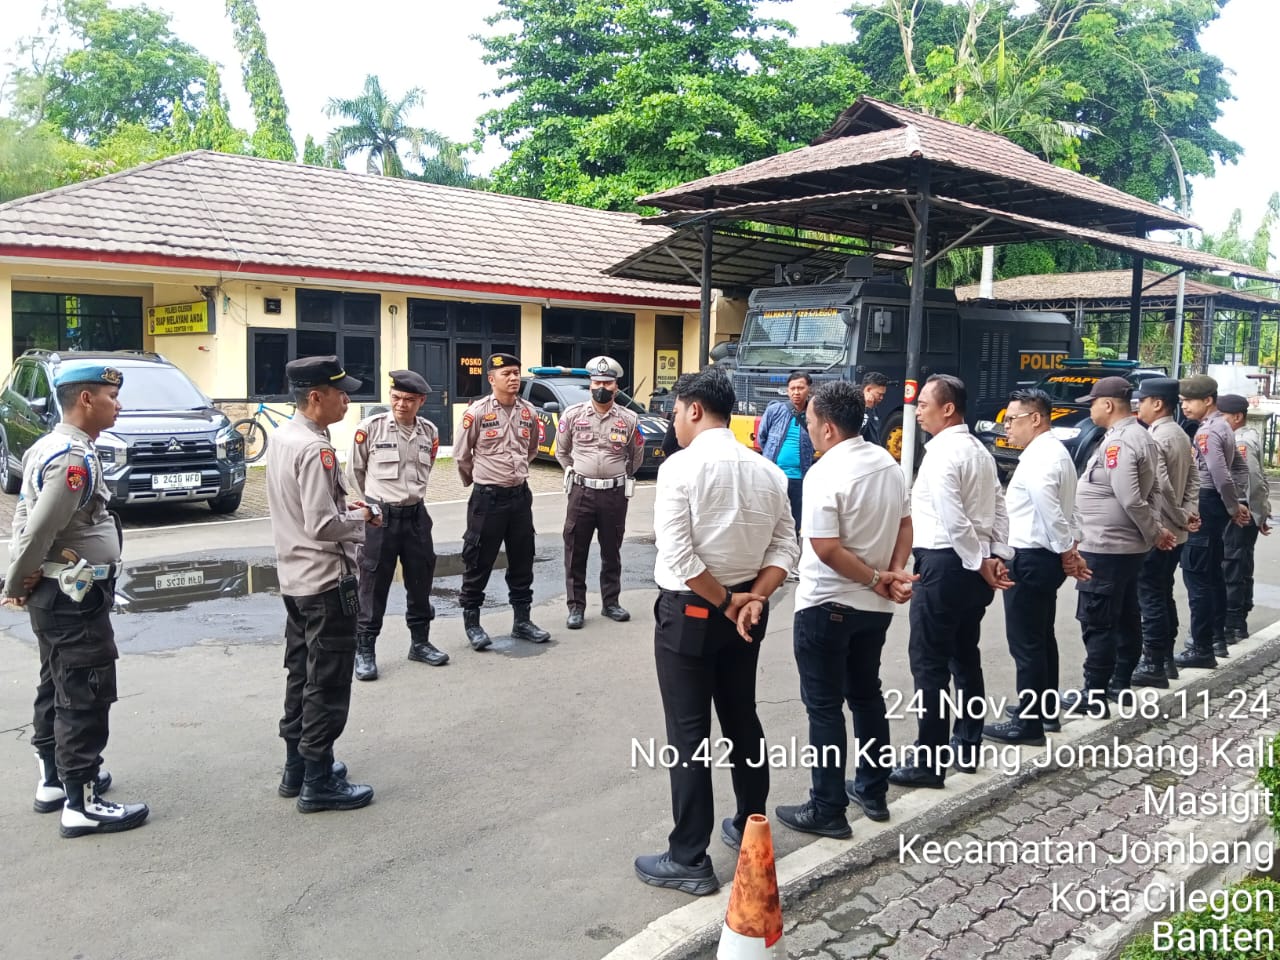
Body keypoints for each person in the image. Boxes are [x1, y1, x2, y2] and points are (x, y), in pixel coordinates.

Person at [634, 368, 799, 896]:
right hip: (747, 612)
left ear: (695, 409)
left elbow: (679, 555)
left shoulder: (681, 467)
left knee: (688, 735)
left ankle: (689, 857)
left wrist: (728, 602)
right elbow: (786, 548)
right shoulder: (767, 471)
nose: (674, 423)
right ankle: (752, 826)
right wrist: (753, 598)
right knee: (742, 718)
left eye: (675, 413)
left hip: (696, 611)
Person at [3, 363, 148, 837]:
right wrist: (15, 582)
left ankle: (54, 781)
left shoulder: (48, 445)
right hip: (73, 596)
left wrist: (24, 574)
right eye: (111, 396)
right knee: (84, 692)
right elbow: (39, 528)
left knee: (57, 683)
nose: (118, 405)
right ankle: (82, 804)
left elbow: (21, 517)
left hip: (55, 592)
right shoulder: (72, 458)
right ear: (86, 399)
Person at [774, 381, 915, 836]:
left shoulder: (826, 471)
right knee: (866, 695)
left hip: (828, 603)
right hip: (873, 608)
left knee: (825, 708)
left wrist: (877, 577)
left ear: (829, 427)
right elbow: (905, 524)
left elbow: (826, 547)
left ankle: (827, 807)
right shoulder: (887, 464)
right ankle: (872, 790)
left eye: (811, 422)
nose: (808, 429)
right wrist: (893, 572)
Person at [267, 355, 376, 813]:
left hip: (296, 579)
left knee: (301, 673)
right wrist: (364, 519)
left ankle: (297, 767)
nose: (347, 400)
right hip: (326, 581)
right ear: (316, 397)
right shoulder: (315, 449)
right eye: (340, 392)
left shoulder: (283, 436)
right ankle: (318, 780)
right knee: (326, 681)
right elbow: (322, 523)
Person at [892, 374, 1011, 789]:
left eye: (924, 404)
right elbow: (999, 506)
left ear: (948, 409)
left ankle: (929, 760)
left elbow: (953, 518)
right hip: (971, 564)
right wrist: (996, 555)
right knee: (964, 657)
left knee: (930, 665)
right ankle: (967, 744)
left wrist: (982, 561)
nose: (917, 411)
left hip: (947, 563)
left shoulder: (944, 454)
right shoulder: (978, 450)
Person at [983, 388, 1087, 745]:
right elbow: (1070, 509)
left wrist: (1067, 550)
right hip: (1043, 555)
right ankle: (1044, 709)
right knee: (1041, 637)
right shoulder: (1054, 452)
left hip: (1031, 556)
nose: (1007, 427)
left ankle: (1028, 724)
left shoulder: (1042, 457)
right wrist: (1071, 545)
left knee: (1026, 642)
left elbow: (1050, 509)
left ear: (1036, 419)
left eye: (1013, 419)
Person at [1067, 376, 1174, 717]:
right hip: (1123, 546)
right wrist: (1153, 530)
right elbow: (1154, 492)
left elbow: (1131, 497)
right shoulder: (1137, 435)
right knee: (1126, 614)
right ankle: (1118, 685)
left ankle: (1095, 693)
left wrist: (1154, 532)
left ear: (1108, 404)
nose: (1091, 409)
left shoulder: (1121, 442)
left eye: (1093, 403)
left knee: (1098, 620)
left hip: (1108, 547)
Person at [347, 369, 445, 680]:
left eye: (408, 400)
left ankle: (420, 643)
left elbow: (427, 470)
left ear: (421, 401)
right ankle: (365, 650)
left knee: (420, 580)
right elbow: (355, 472)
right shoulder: (370, 429)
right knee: (372, 584)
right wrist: (373, 504)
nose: (401, 404)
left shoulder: (429, 431)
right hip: (381, 518)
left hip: (416, 517)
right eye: (396, 398)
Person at [455, 353, 549, 649]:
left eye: (516, 373)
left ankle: (522, 621)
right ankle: (473, 624)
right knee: (478, 560)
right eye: (506, 373)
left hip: (519, 497)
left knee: (523, 559)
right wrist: (482, 480)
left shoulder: (529, 412)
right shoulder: (477, 413)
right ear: (491, 378)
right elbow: (462, 455)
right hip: (488, 499)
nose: (513, 378)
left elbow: (531, 449)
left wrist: (513, 472)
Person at [556, 355, 644, 630]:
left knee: (611, 551)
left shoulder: (629, 419)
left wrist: (615, 474)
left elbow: (636, 457)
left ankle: (611, 603)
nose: (601, 387)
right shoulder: (572, 415)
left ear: (616, 386)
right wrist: (576, 472)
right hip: (581, 492)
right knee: (575, 550)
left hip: (614, 495)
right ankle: (576, 607)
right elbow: (562, 451)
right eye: (597, 382)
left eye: (607, 383)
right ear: (590, 384)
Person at [1175, 374, 1251, 667]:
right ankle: (1216, 638)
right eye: (1182, 401)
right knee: (1213, 575)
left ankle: (1201, 647)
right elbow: (1239, 469)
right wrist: (1236, 502)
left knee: (1198, 578)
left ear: (1208, 400)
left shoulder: (1206, 432)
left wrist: (1233, 506)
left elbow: (1220, 473)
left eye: (1189, 401)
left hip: (1205, 503)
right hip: (1215, 504)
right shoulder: (1223, 426)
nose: (1184, 406)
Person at [1131, 378, 1200, 688]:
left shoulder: (1157, 437)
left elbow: (1162, 487)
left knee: (1151, 596)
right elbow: (1194, 479)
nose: (1138, 406)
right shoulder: (1180, 433)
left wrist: (1182, 515)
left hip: (1161, 530)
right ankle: (1166, 659)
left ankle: (1153, 662)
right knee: (1162, 592)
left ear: (1157, 403)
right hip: (1177, 529)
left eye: (1142, 401)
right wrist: (1189, 511)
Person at [1219, 393, 1271, 642]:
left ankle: (1233, 623)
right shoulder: (1246, 436)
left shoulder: (1241, 441)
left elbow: (1253, 480)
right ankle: (1236, 619)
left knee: (1233, 566)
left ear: (1237, 417)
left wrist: (1258, 513)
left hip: (1239, 511)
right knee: (1239, 564)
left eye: (1222, 416)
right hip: (1243, 510)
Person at [755, 371, 813, 531]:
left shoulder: (815, 414)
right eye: (792, 388)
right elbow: (762, 437)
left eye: (800, 388)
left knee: (794, 524)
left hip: (799, 478)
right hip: (773, 477)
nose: (796, 392)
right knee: (769, 521)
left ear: (809, 389)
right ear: (787, 390)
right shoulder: (775, 410)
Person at [860, 371, 889, 447]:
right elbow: (859, 432)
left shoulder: (874, 407)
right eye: (879, 394)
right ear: (868, 390)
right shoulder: (854, 406)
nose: (881, 398)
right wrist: (867, 409)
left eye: (883, 395)